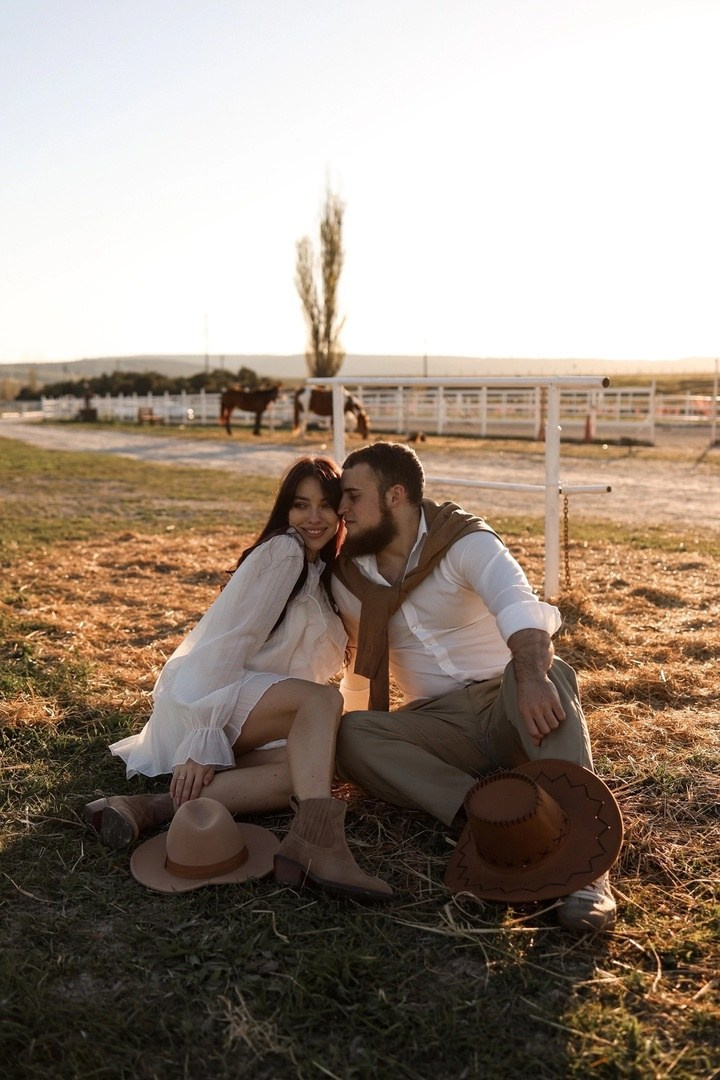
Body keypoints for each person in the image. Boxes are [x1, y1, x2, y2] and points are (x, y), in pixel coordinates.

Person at [331, 441, 616, 930]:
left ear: (395, 495)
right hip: (436, 723)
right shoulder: (347, 576)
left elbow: (519, 607)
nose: (342, 509)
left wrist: (528, 677)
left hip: (508, 705)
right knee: (351, 734)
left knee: (554, 672)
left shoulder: (463, 540)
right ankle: (493, 819)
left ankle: (584, 864)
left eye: (353, 496)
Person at [84, 455, 391, 901]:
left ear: (340, 511)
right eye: (300, 505)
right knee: (322, 703)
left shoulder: (318, 570)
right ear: (285, 511)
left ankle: (147, 808)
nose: (313, 517)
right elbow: (228, 645)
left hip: (251, 707)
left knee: (306, 770)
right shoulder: (284, 552)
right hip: (209, 696)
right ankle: (320, 846)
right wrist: (201, 738)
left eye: (325, 506)